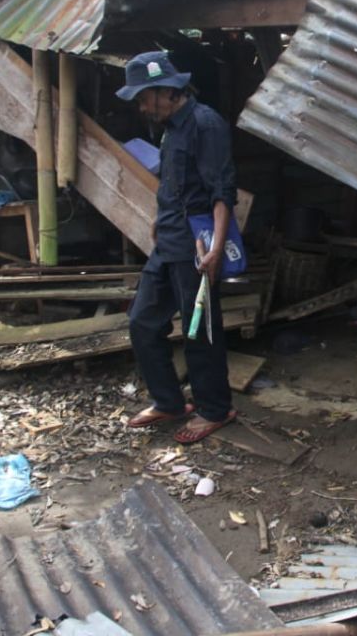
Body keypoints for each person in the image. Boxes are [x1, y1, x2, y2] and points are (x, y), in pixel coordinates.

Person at [117, 51, 238, 444]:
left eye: (143, 97)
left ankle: (215, 409)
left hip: (198, 245)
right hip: (168, 240)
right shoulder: (169, 127)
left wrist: (217, 249)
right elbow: (174, 182)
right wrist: (158, 216)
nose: (140, 106)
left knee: (199, 330)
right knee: (142, 321)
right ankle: (168, 400)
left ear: (166, 91)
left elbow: (222, 192)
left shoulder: (206, 124)